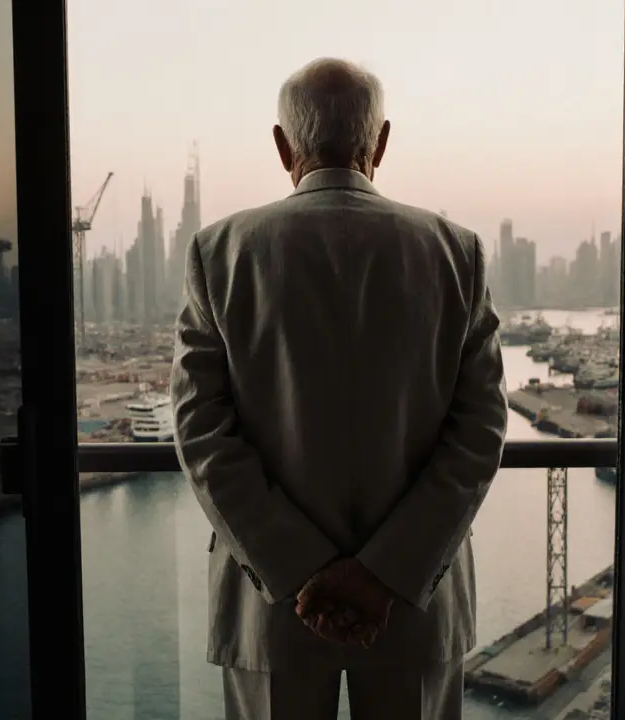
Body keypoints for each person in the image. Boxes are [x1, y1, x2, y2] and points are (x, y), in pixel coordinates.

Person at [170, 57, 507, 720]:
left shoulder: (221, 251)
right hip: (414, 605)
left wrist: (300, 573)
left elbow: (202, 436)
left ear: (281, 145)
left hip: (272, 608)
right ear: (380, 142)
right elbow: (480, 432)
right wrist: (384, 575)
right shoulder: (455, 251)